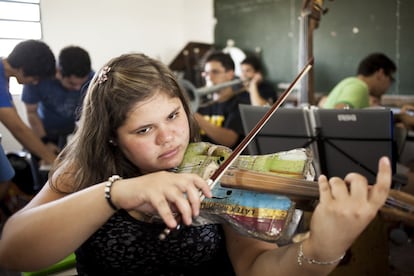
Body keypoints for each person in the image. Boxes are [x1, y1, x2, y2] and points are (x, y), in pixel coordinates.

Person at [0, 53, 393, 275]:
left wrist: (324, 247)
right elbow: (13, 252)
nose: (169, 137)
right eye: (144, 130)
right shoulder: (85, 171)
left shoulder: (215, 168)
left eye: (173, 116)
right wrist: (116, 192)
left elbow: (258, 269)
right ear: (110, 137)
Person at [0, 40, 58, 194]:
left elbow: (16, 119)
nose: (35, 82)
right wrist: (54, 162)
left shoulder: (4, 76)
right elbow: (17, 128)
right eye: (36, 78)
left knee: (6, 178)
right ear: (23, 69)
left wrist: (44, 147)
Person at [22, 45, 94, 150]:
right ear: (58, 72)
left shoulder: (93, 79)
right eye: (72, 84)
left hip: (75, 131)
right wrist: (45, 142)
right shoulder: (38, 78)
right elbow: (31, 113)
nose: (78, 88)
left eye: (81, 84)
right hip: (44, 131)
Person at [194, 51, 250, 149]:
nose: (209, 78)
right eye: (206, 73)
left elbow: (229, 141)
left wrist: (194, 115)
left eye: (215, 72)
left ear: (230, 74)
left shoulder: (239, 104)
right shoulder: (200, 104)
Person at [322, 53, 396, 109]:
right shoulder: (359, 87)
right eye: (391, 79)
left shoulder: (352, 83)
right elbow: (340, 113)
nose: (388, 86)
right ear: (381, 74)